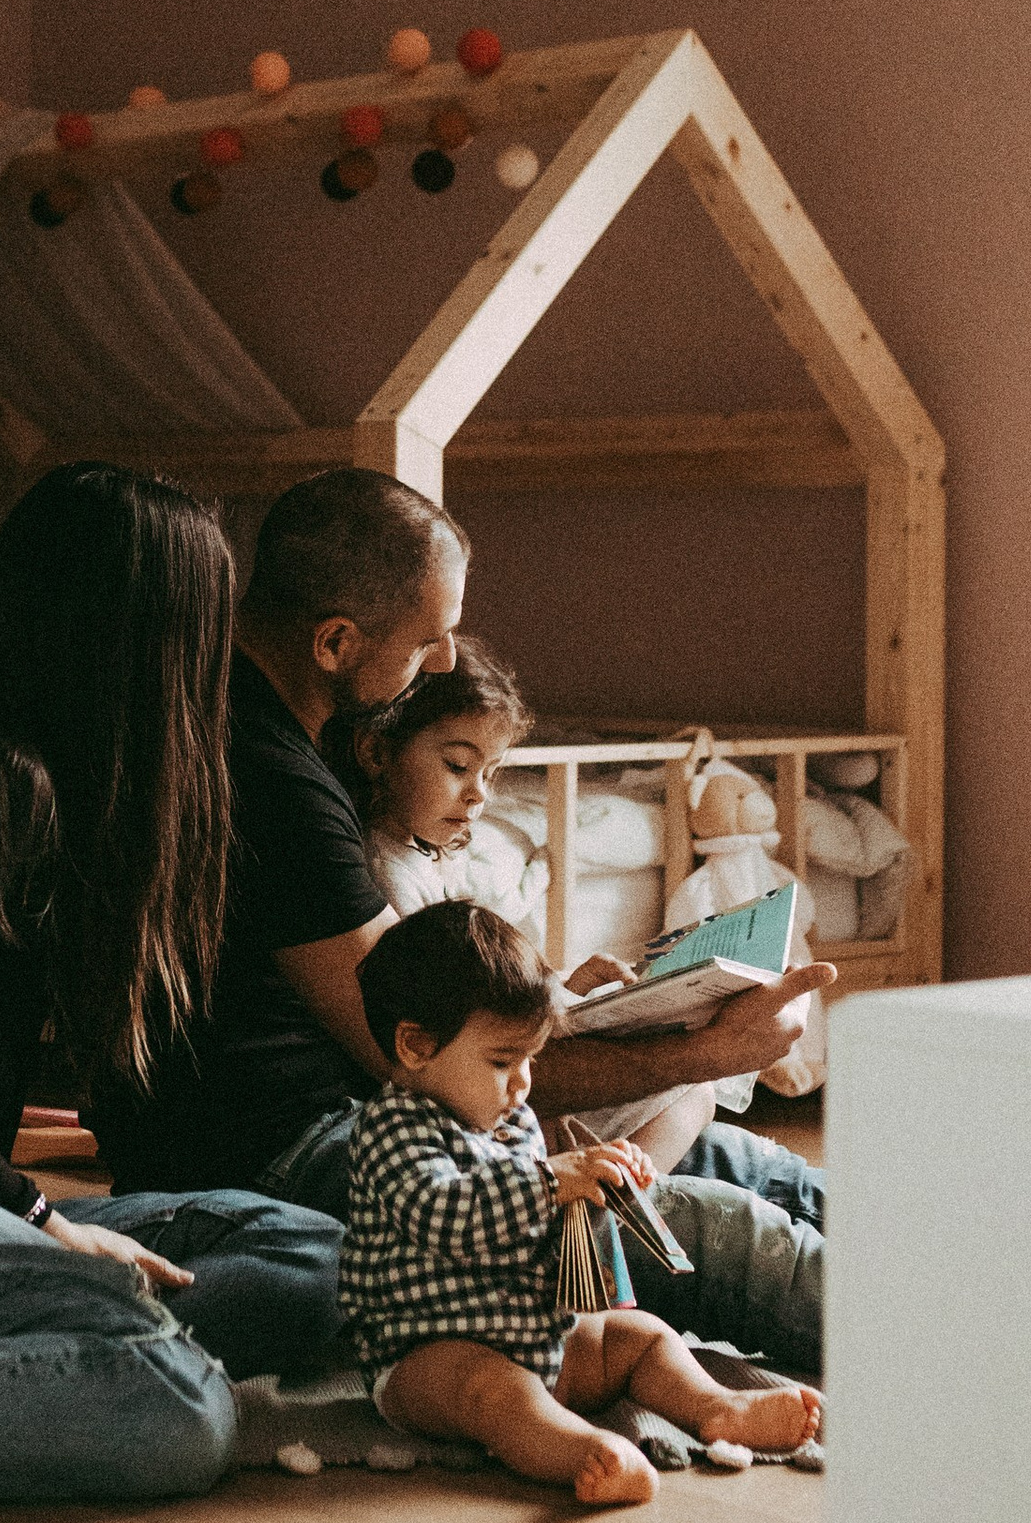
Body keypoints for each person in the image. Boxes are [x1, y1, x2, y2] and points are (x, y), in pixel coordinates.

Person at [90, 464, 831, 1376]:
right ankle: (966, 1336)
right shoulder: (269, 778)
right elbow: (433, 1048)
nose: (440, 662)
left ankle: (980, 1269)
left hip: (377, 1111)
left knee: (745, 1164)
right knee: (713, 1225)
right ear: (334, 642)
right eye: (426, 641)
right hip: (295, 1148)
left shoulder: (286, 739)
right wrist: (700, 1055)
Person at [0, 461, 346, 1507]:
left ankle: (45, 1352)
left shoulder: (52, 773)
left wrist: (42, 1229)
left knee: (318, 1254)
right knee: (178, 1404)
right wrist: (43, 1221)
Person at [333, 638, 827, 1233]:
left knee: (717, 1122)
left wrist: (562, 985)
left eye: (491, 774)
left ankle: (612, 1194)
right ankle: (601, 1221)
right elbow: (455, 1013)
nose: (478, 794)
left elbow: (480, 986)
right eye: (458, 766)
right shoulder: (387, 872)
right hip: (465, 1096)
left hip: (495, 1087)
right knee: (697, 1093)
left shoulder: (428, 853)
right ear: (376, 751)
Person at [341, 903, 823, 1504]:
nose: (522, 1082)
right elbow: (444, 1213)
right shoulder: (392, 1129)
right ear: (415, 1046)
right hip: (431, 1355)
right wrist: (552, 1181)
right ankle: (580, 1449)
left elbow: (548, 1227)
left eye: (529, 1060)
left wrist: (604, 1184)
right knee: (491, 1392)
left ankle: (716, 1407)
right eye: (501, 1061)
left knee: (643, 1336)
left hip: (544, 1332)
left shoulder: (512, 1117)